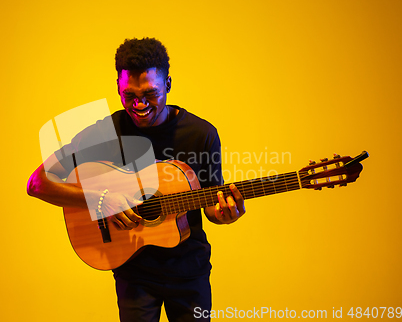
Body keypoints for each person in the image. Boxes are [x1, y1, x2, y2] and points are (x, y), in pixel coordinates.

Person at [27, 37, 246, 321]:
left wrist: (224, 214)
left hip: (189, 272)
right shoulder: (107, 131)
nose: (140, 104)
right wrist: (100, 200)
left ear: (168, 84)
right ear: (118, 86)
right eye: (129, 95)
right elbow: (38, 183)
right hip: (134, 273)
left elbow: (211, 207)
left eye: (151, 94)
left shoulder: (200, 134)